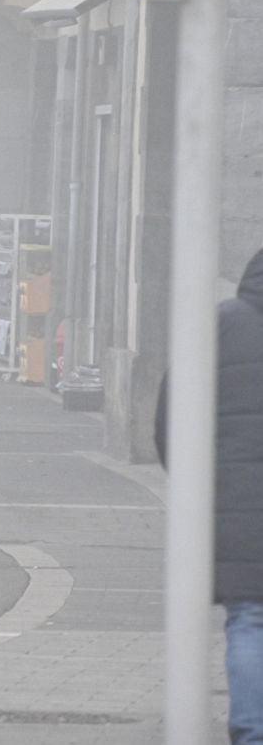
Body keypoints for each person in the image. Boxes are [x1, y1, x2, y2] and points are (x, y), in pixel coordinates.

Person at [156, 246, 263, 744]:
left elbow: (171, 417)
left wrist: (197, 491)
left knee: (252, 618)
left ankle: (253, 733)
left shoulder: (221, 324)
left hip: (240, 509)